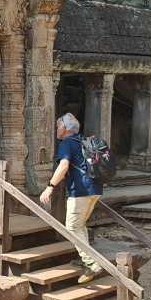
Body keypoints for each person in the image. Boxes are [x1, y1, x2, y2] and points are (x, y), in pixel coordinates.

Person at [39, 113, 103, 285]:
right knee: (79, 225)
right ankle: (89, 261)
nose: (56, 129)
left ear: (66, 129)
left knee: (71, 227)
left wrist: (50, 187)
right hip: (95, 189)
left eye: (58, 126)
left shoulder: (67, 143)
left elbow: (64, 165)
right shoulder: (81, 141)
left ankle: (92, 263)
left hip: (81, 191)